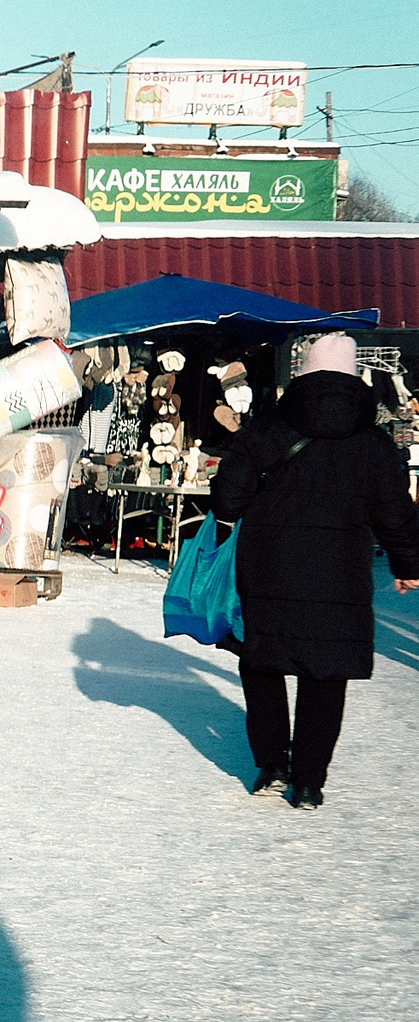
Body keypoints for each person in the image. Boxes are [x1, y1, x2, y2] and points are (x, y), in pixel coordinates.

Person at [206, 332, 419, 808]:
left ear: (301, 375)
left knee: (262, 660)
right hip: (339, 575)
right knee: (327, 671)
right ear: (354, 379)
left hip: (268, 568)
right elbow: (395, 511)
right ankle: (308, 781)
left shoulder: (267, 430)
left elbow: (229, 497)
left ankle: (271, 764)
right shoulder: (374, 443)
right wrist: (408, 564)